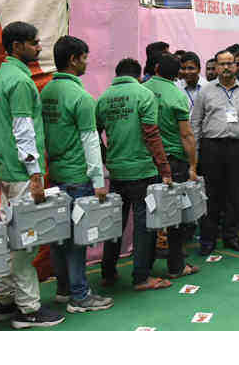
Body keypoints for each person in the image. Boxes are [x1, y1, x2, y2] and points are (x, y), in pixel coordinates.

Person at [0, 21, 65, 328]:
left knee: (10, 241)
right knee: (23, 244)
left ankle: (4, 302)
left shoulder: (2, 77)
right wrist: (35, 175)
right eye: (35, 43)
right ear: (17, 46)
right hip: (21, 174)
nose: (39, 48)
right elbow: (23, 130)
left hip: (8, 172)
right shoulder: (20, 82)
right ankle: (28, 310)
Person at [41, 35, 114, 312]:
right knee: (78, 240)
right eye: (84, 57)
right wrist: (98, 180)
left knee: (59, 238)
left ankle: (63, 289)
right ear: (73, 60)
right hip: (77, 177)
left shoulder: (45, 93)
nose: (86, 62)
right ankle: (80, 296)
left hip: (57, 175)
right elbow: (91, 141)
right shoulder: (82, 97)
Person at [97, 58, 174, 290]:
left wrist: (107, 158)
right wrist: (165, 168)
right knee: (144, 225)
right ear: (139, 76)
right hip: (142, 171)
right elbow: (151, 134)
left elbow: (93, 136)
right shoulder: (143, 94)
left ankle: (108, 273)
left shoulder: (102, 99)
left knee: (115, 225)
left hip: (117, 171)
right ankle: (141, 277)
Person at [191, 50, 239, 254]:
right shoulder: (205, 91)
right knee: (211, 195)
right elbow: (195, 123)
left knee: (235, 194)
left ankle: (231, 236)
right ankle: (208, 240)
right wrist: (194, 156)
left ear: (235, 66)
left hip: (238, 147)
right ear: (216, 66)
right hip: (211, 147)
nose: (226, 67)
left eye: (230, 63)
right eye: (221, 64)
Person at [142, 53, 201, 278]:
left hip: (147, 161)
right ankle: (176, 266)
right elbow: (186, 134)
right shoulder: (177, 95)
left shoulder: (142, 89)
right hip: (173, 161)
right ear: (177, 73)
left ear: (156, 68)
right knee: (174, 215)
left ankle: (144, 269)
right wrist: (193, 165)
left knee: (147, 213)